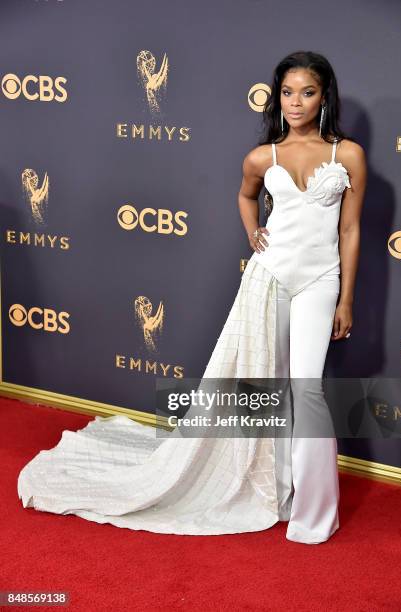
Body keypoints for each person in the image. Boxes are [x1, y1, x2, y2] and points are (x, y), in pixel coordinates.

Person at [17, 50, 367, 544]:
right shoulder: (261, 157)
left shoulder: (346, 155)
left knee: (306, 390)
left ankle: (315, 512)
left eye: (307, 92)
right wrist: (253, 233)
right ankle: (281, 491)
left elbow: (350, 229)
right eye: (287, 92)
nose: (295, 102)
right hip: (267, 279)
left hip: (320, 281)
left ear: (324, 96)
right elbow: (246, 196)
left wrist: (346, 298)